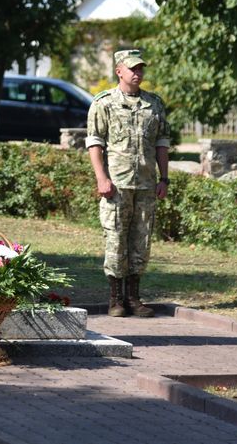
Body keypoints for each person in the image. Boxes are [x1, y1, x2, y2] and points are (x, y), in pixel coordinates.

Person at [86, 49, 171, 317]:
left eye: (141, 68)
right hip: (117, 186)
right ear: (119, 71)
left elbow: (161, 144)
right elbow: (95, 143)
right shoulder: (103, 103)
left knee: (141, 241)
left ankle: (134, 298)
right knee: (115, 239)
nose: (138, 73)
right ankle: (115, 300)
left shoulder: (154, 104)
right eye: (133, 68)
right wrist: (102, 178)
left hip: (146, 185)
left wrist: (164, 178)